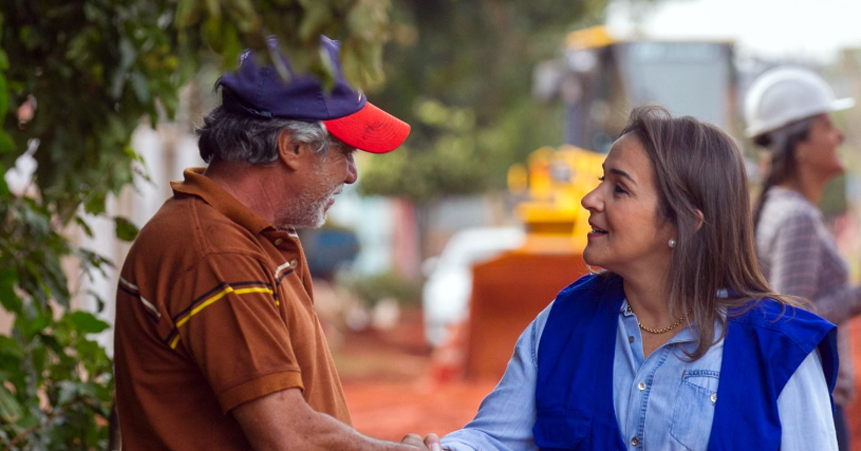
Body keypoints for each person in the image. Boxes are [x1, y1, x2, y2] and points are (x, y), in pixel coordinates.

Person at [440, 106, 839, 451]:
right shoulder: (563, 321)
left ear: (683, 223)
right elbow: (492, 440)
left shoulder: (781, 349)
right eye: (601, 180)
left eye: (620, 188)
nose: (590, 199)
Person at [113, 36, 439, 450]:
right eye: (346, 152)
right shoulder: (218, 254)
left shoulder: (254, 237)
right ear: (292, 147)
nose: (352, 174)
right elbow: (289, 437)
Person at [745, 66, 857, 451]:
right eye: (827, 125)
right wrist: (856, 296)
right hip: (815, 403)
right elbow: (790, 322)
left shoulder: (779, 209)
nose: (839, 134)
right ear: (800, 146)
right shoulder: (797, 217)